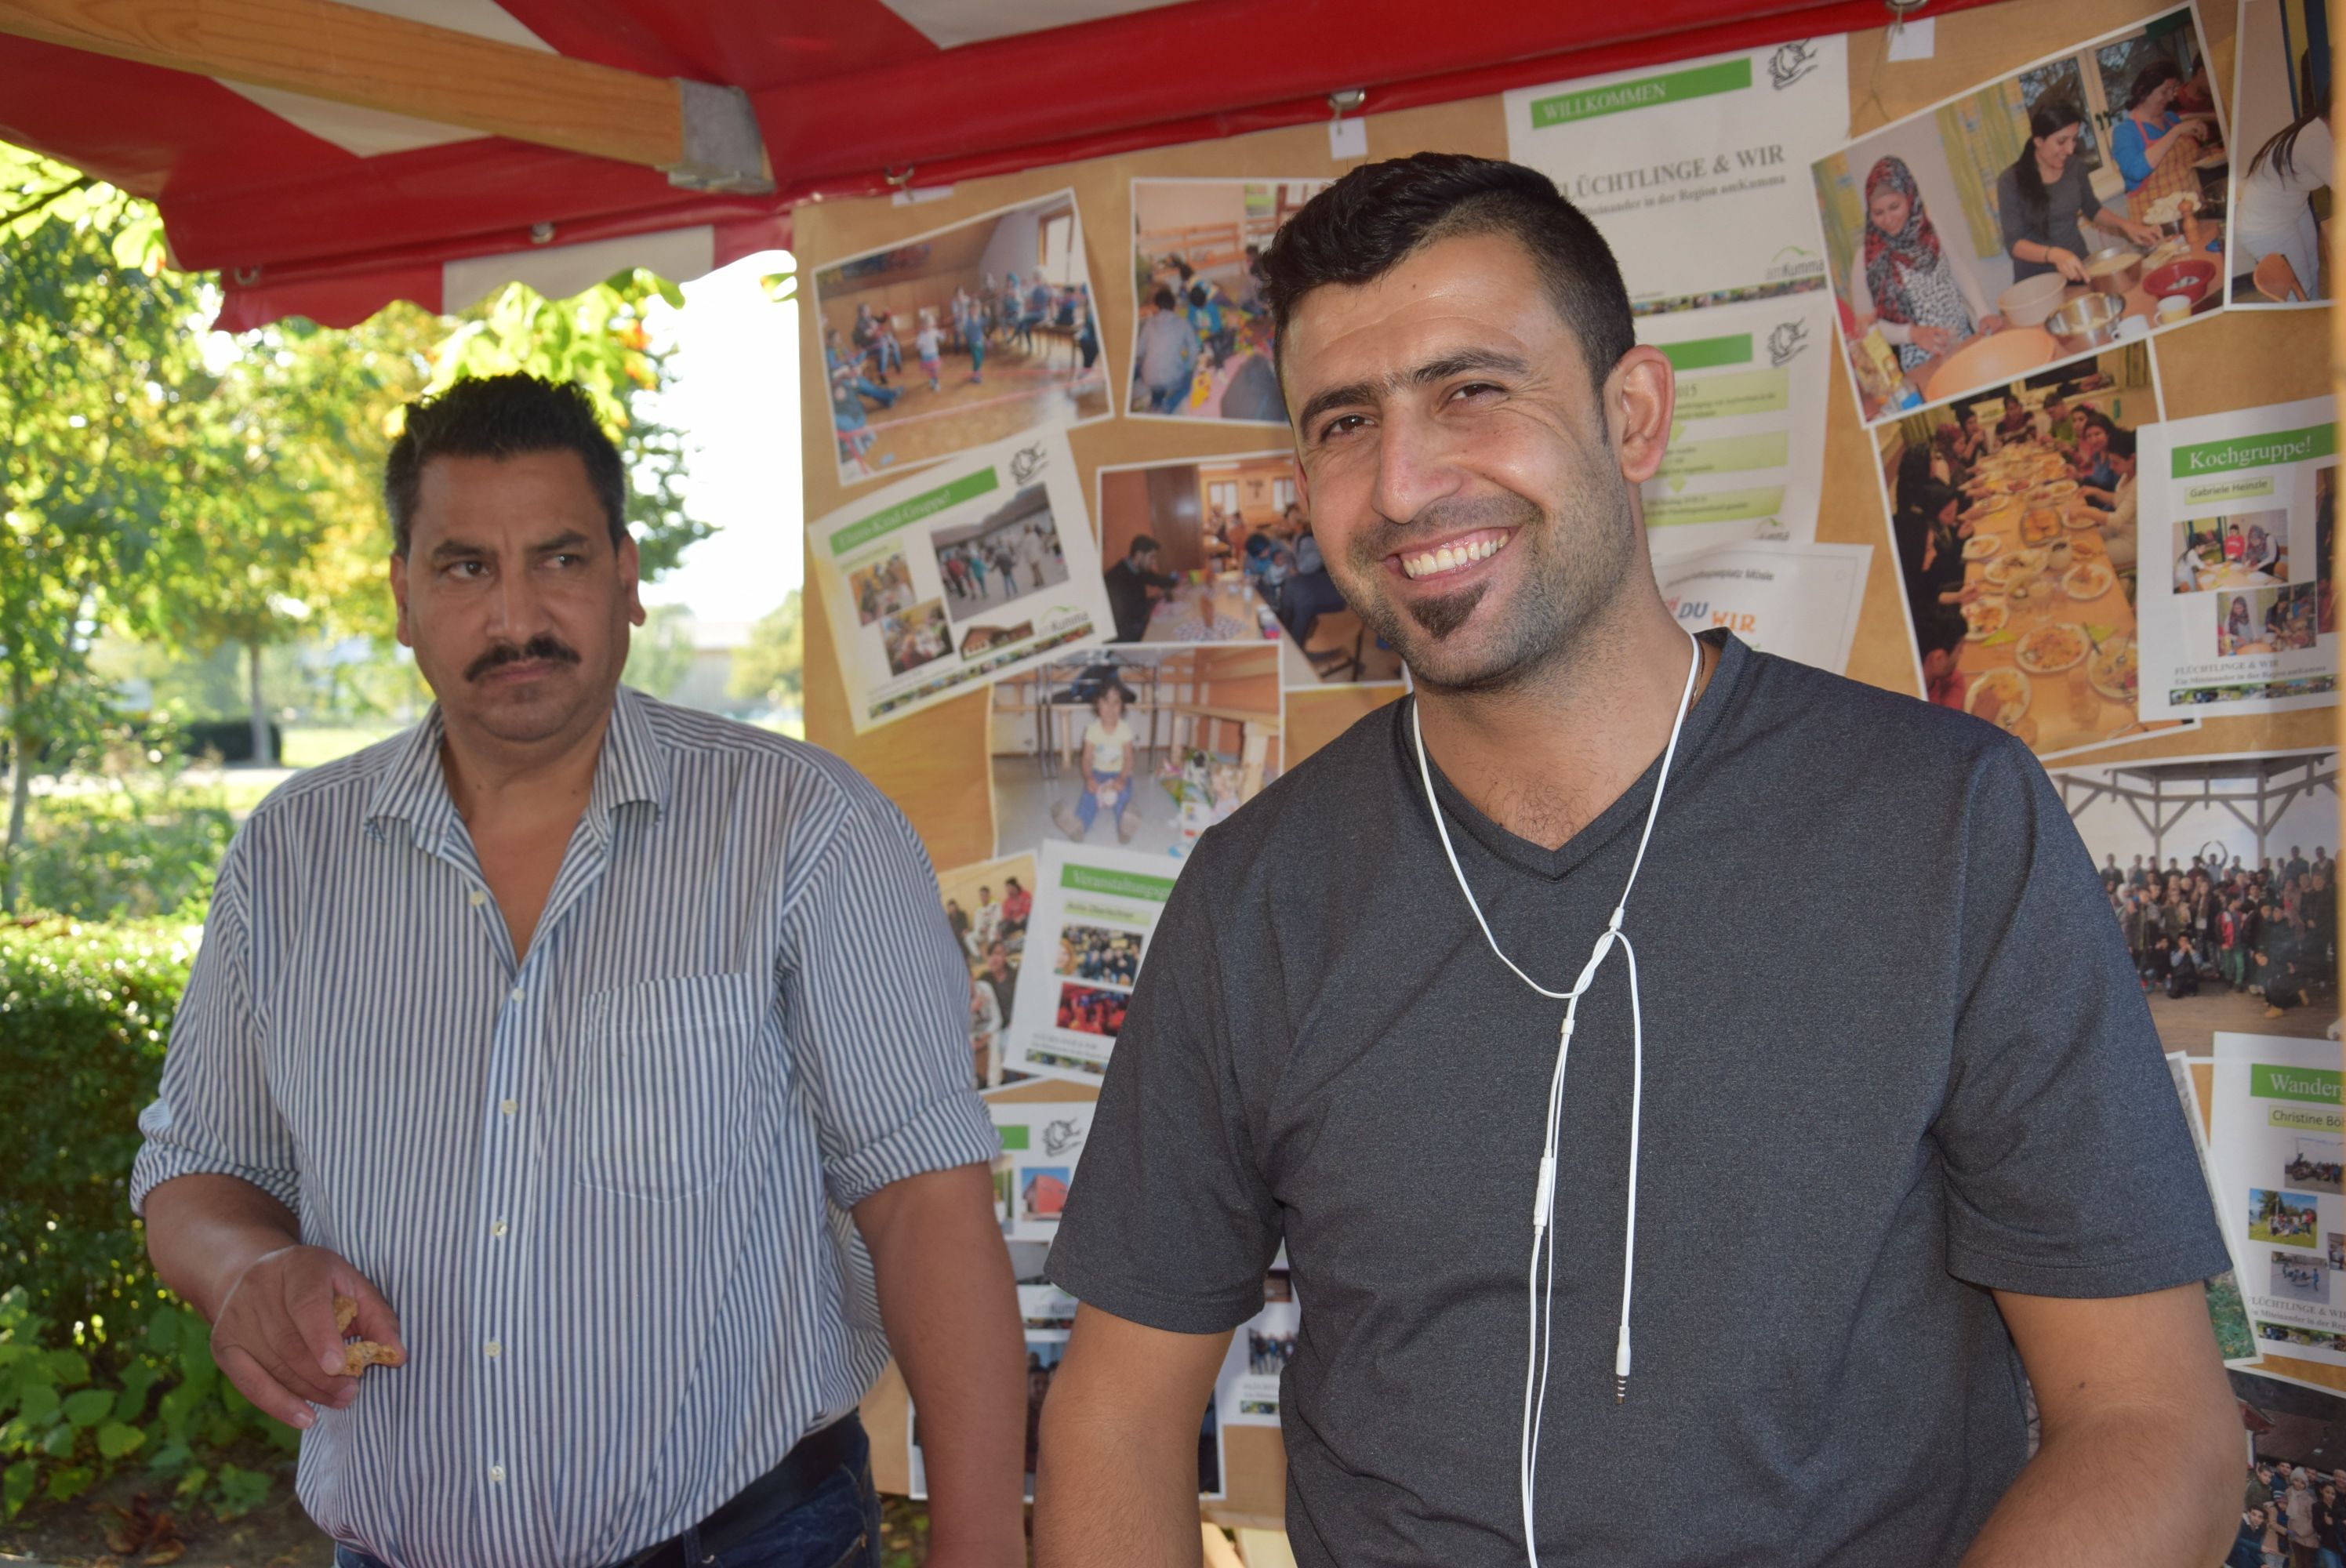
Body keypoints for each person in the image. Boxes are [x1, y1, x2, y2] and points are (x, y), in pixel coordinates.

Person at [1033, 153, 2238, 1568]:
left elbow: (2152, 1426)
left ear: (1634, 415)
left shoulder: (1949, 824)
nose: (1404, 485)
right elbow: (1116, 1417)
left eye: (1471, 390)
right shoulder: (1255, 899)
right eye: (1346, 423)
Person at [130, 375, 1026, 1568]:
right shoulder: (287, 860)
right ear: (402, 596)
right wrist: (246, 1267)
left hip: (747, 1540)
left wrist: (983, 1550)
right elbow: (195, 1172)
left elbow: (926, 1210)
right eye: (465, 568)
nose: (517, 617)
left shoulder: (805, 831)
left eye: (558, 559)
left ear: (626, 577)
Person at [1848, 156, 2003, 372]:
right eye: (1878, 213)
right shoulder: (1865, 258)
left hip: (1962, 341)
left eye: (1894, 207)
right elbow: (1866, 328)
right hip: (1918, 364)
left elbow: (1959, 273)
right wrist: (1911, 334)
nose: (1888, 219)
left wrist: (1983, 312)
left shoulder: (1932, 230)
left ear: (1910, 198)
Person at [1999, 95, 2162, 283]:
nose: (2070, 150)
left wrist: (2126, 225)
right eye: (2061, 141)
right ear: (2039, 141)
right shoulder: (2011, 180)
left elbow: (2092, 208)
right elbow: (2014, 244)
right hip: (2039, 283)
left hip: (2079, 268)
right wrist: (2055, 255)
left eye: (2074, 139)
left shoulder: (2075, 166)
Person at [2236, 107, 2333, 299]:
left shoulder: (2322, 128)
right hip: (2266, 226)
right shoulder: (2316, 138)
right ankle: (2307, 317)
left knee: (2312, 270)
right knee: (2299, 289)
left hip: (2293, 209)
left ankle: (2312, 310)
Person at [2109, 58, 2217, 198]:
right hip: (2155, 211)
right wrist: (2176, 131)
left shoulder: (2171, 119)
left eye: (2173, 90)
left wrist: (2205, 154)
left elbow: (2181, 163)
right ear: (2143, 92)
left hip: (2195, 203)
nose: (2171, 98)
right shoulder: (2124, 132)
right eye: (2165, 91)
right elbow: (2136, 171)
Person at [1051, 683, 1141, 844]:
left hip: (1119, 773)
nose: (1110, 707)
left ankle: (1124, 829)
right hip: (1098, 772)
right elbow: (1086, 759)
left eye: (1116, 702)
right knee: (1089, 796)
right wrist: (1089, 778)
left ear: (1122, 706)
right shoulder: (1092, 730)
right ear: (1097, 705)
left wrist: (1122, 778)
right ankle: (1079, 827)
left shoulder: (1125, 729)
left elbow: (1129, 758)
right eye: (1105, 701)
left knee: (1123, 795)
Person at [1133, 287, 1200, 416]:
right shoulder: (1184, 323)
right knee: (1191, 378)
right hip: (1172, 379)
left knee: (1150, 370)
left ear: (1156, 306)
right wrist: (1186, 367)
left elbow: (1138, 351)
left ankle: (1155, 403)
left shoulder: (1149, 323)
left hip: (1149, 378)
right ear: (1174, 306)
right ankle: (1168, 405)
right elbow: (1194, 350)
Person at [1103, 534, 1181, 644]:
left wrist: (1175, 578)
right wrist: (1156, 600)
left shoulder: (1139, 569)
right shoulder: (1117, 577)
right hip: (1123, 634)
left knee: (1173, 626)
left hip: (1137, 621)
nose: (1154, 562)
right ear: (1139, 555)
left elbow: (1158, 580)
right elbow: (1134, 612)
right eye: (1152, 557)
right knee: (1169, 633)